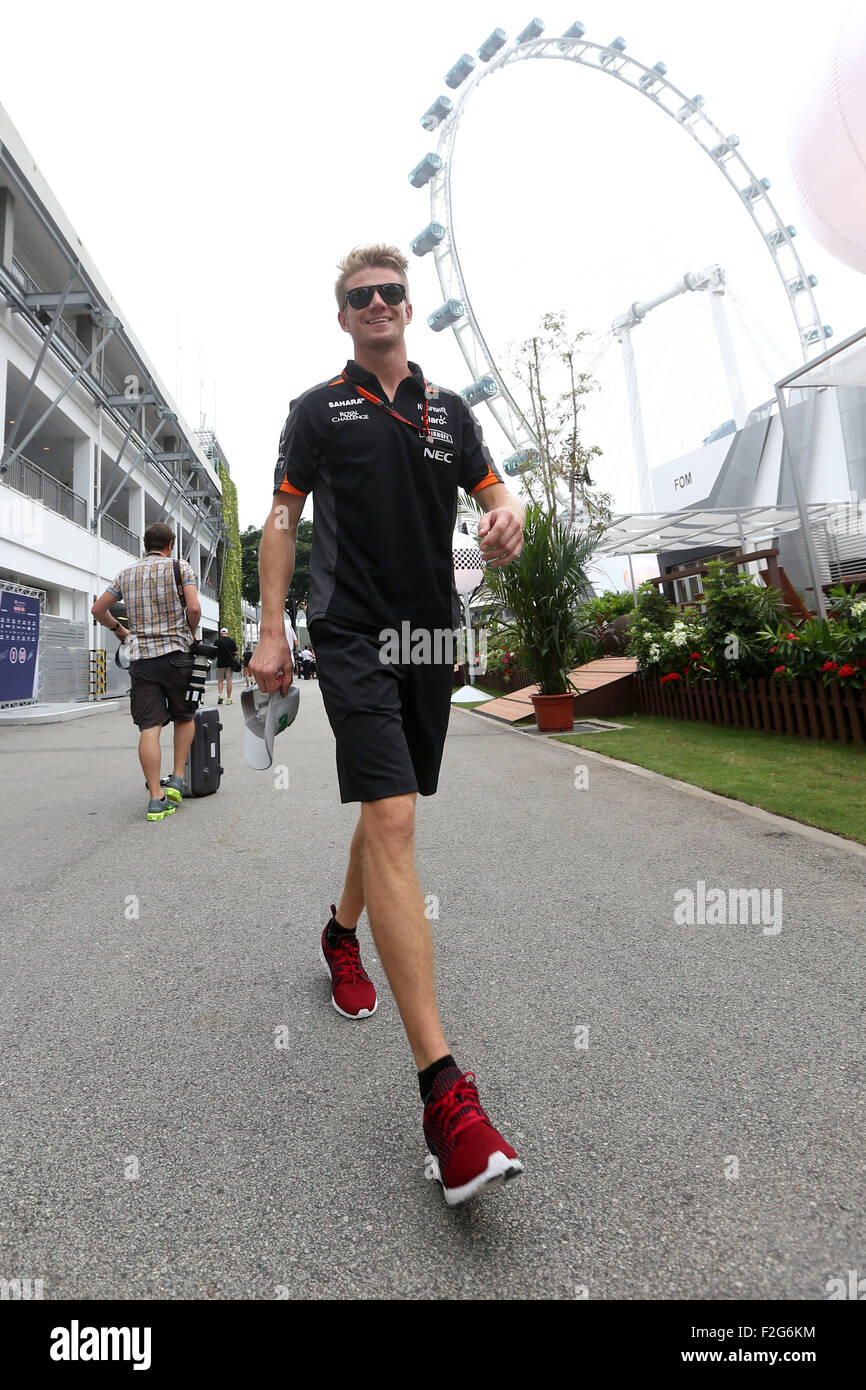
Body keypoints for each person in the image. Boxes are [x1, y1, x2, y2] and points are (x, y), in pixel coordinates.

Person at [252, 243, 526, 1207]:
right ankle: (445, 1099)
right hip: (354, 631)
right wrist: (271, 627)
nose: (377, 304)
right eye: (360, 296)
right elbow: (281, 519)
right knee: (397, 818)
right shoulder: (315, 411)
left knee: (388, 813)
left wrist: (508, 515)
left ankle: (339, 935)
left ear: (411, 307)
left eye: (391, 293)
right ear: (343, 317)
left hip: (428, 639)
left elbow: (497, 493)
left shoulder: (451, 411)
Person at [91, 521, 200, 821]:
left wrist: (120, 630)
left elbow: (98, 609)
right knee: (184, 715)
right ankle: (177, 778)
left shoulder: (126, 574)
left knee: (149, 727)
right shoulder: (181, 569)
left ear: (145, 544)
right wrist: (189, 634)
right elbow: (194, 608)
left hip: (142, 660)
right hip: (177, 655)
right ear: (170, 545)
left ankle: (156, 799)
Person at [214, 627, 238, 704]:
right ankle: (228, 699)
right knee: (229, 681)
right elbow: (236, 652)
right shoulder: (231, 641)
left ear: (221, 634)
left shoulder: (217, 641)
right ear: (227, 633)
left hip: (220, 664)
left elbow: (214, 652)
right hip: (229, 664)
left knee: (220, 680)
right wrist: (232, 654)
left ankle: (220, 695)